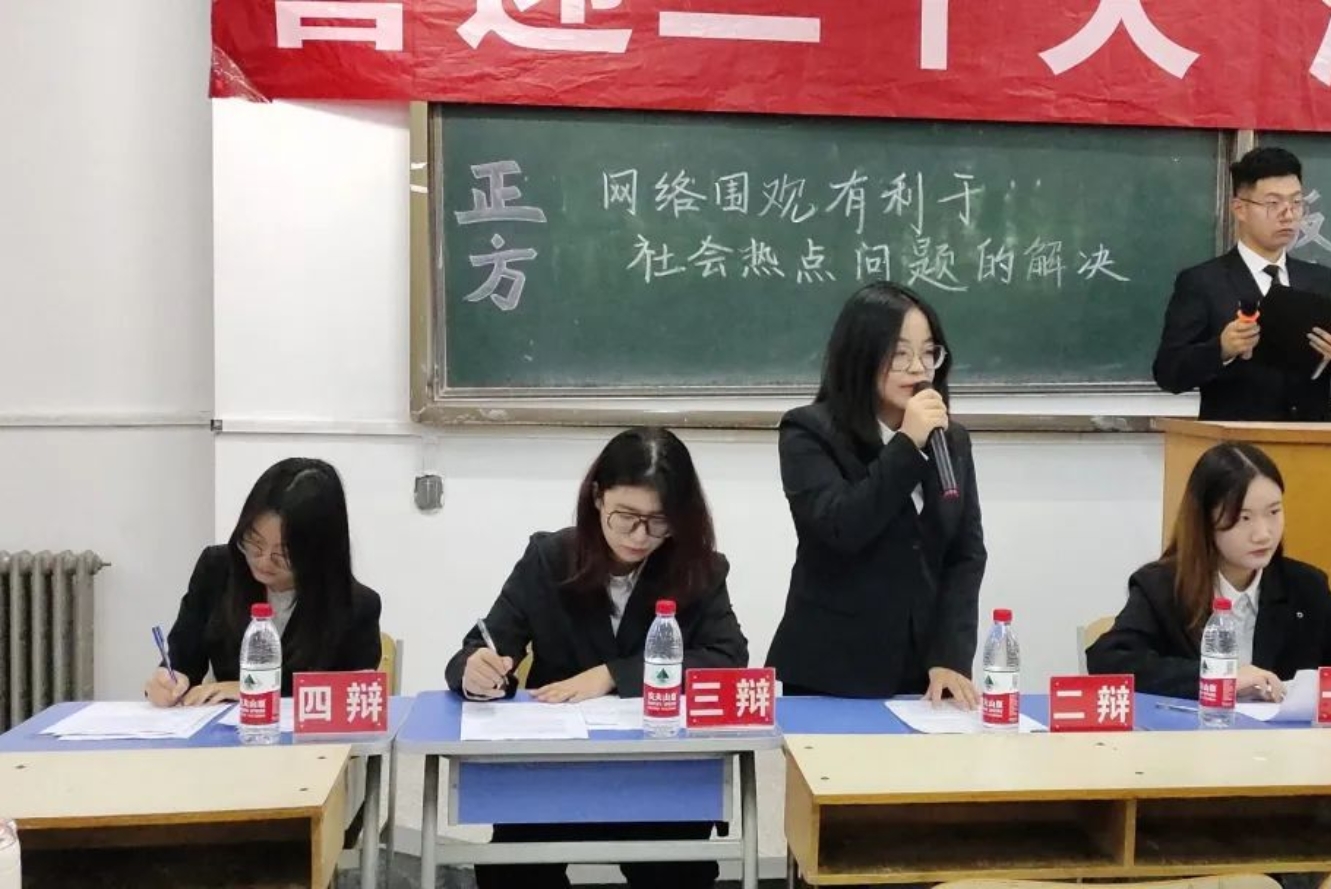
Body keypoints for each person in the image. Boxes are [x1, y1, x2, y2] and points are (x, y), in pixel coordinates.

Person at [446, 426, 747, 889]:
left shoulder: (698, 568)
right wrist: (475, 670)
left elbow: (727, 659)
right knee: (510, 871)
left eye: (659, 521)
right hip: (555, 773)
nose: (641, 536)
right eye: (626, 517)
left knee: (678, 871)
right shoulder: (550, 559)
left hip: (659, 776)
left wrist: (613, 675)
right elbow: (484, 644)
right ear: (597, 498)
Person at [767, 281, 987, 704]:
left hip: (924, 675)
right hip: (831, 673)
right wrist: (907, 445)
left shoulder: (951, 440)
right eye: (900, 353)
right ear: (862, 354)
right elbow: (842, 528)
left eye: (929, 353)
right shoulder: (809, 432)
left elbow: (965, 554)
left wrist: (951, 656)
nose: (918, 368)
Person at [1087, 441, 1331, 700]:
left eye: (1274, 512)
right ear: (1205, 522)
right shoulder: (1163, 586)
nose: (1263, 534)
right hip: (1189, 747)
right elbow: (1110, 660)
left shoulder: (1304, 587)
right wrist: (1221, 678)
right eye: (1244, 518)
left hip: (1285, 751)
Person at [144, 457, 382, 707]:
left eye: (283, 555)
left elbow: (352, 698)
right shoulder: (217, 571)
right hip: (226, 729)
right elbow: (182, 662)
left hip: (300, 733)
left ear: (319, 553)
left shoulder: (356, 607)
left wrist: (254, 688)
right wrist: (167, 682)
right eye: (254, 543)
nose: (264, 562)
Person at [1153, 146, 1331, 422]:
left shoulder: (1323, 280)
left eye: (1296, 202)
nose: (1288, 214)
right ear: (1240, 209)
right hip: (1239, 442)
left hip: (1312, 440)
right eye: (1273, 203)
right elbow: (1168, 373)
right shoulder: (1202, 282)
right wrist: (1222, 349)